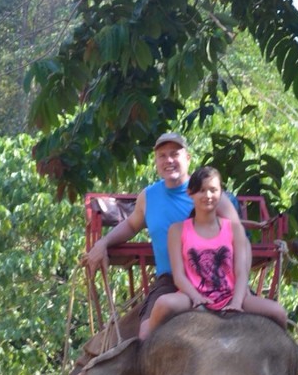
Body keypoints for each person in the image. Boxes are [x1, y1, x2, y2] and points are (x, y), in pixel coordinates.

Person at [83, 132, 243, 338]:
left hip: (217, 277)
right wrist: (103, 243)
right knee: (145, 335)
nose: (169, 160)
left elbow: (238, 239)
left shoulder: (210, 195)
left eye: (175, 154)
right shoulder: (148, 196)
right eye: (162, 155)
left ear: (187, 158)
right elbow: (131, 225)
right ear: (156, 161)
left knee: (266, 321)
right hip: (171, 281)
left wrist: (240, 286)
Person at [142, 166, 287, 338]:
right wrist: (196, 298)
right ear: (190, 193)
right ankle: (143, 354)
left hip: (230, 294)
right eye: (202, 191)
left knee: (279, 312)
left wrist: (237, 302)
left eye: (213, 190)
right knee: (162, 304)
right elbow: (179, 276)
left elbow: (241, 272)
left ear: (221, 193)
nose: (208, 196)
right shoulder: (177, 230)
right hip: (193, 296)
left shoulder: (234, 229)